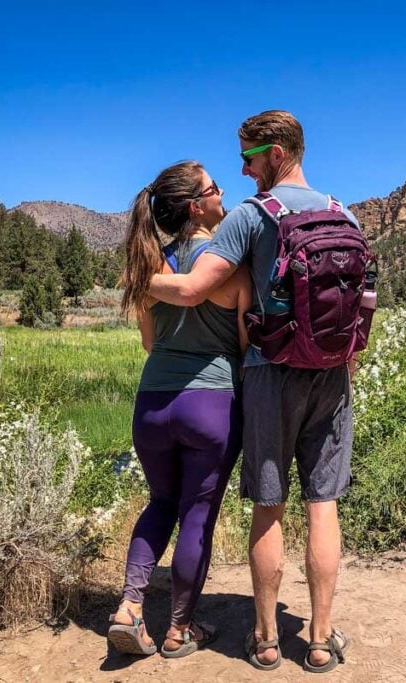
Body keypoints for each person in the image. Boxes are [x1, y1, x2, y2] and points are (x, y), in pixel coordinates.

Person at [148, 111, 356, 673]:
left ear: (278, 151)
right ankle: (319, 638)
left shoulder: (252, 216)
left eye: (249, 155)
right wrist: (343, 368)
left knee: (270, 505)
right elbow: (364, 309)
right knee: (323, 504)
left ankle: (264, 640)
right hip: (333, 376)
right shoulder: (345, 213)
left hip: (269, 372)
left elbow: (192, 289)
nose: (242, 169)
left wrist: (136, 280)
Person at [107, 161, 252, 659]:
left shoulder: (150, 265)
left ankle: (128, 608)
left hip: (152, 404)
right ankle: (179, 631)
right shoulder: (228, 264)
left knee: (160, 502)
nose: (223, 193)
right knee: (197, 515)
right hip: (211, 404)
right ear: (196, 206)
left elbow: (150, 342)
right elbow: (245, 344)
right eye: (215, 189)